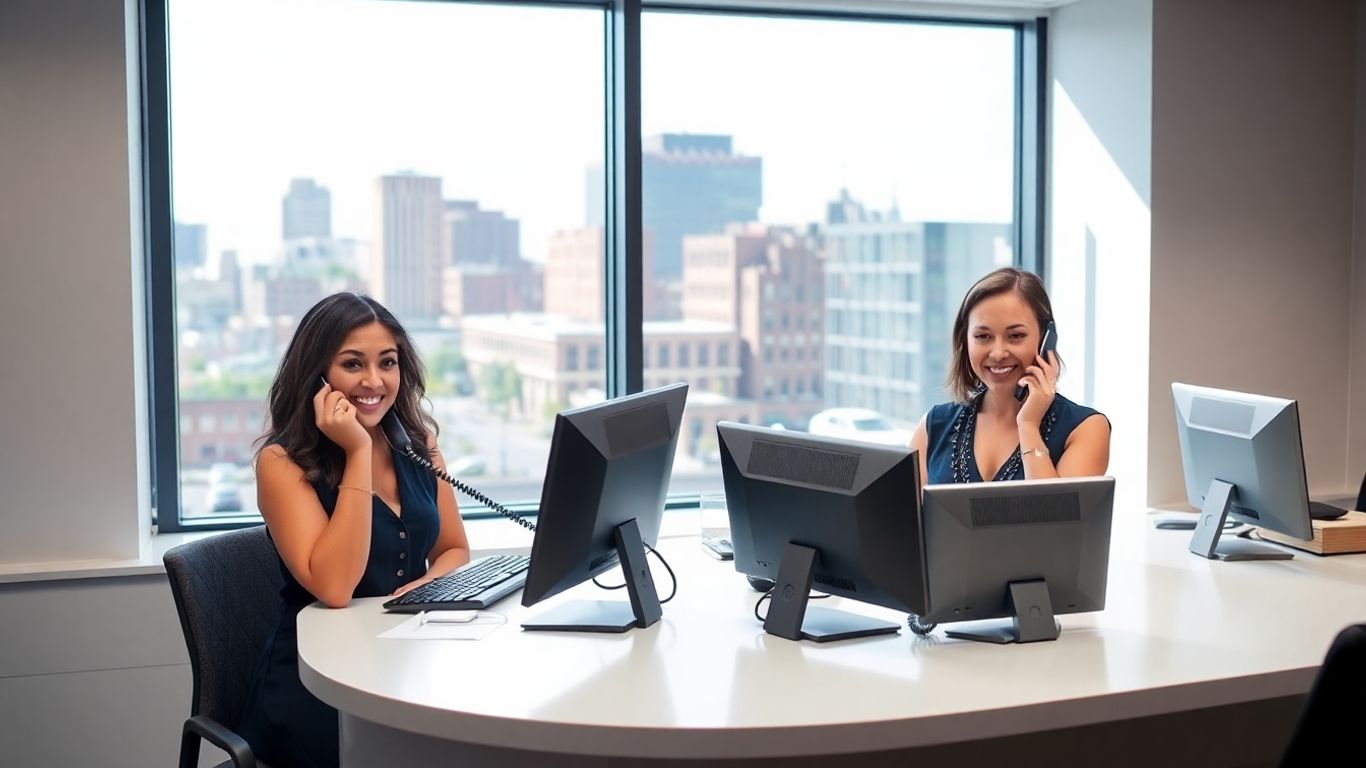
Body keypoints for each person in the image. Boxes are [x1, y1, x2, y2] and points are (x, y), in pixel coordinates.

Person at [238, 292, 470, 768]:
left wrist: (428, 585)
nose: (374, 381)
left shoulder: (417, 443)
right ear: (318, 376)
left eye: (387, 363)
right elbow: (335, 587)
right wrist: (358, 452)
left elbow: (453, 548)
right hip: (318, 685)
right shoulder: (282, 463)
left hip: (401, 660)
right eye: (352, 364)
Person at [910, 267, 1110, 486]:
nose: (997, 353)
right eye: (983, 336)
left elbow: (1055, 515)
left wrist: (1028, 425)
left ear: (1046, 340)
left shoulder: (1086, 429)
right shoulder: (933, 427)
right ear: (965, 340)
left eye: (1016, 336)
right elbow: (901, 519)